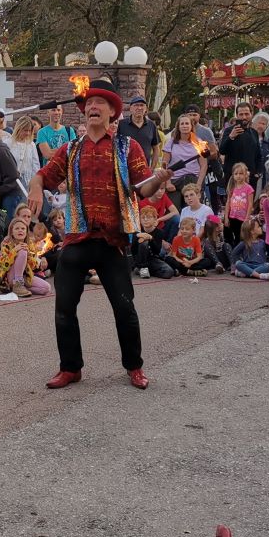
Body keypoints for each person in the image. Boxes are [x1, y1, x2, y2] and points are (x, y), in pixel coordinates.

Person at [26, 77, 171, 391]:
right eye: (89, 102)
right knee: (64, 307)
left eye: (99, 103)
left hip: (113, 242)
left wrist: (158, 180)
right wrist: (36, 188)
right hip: (77, 239)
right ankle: (70, 368)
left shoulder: (127, 146)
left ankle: (134, 367)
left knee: (124, 308)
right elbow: (42, 175)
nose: (92, 106)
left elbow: (143, 187)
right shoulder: (71, 148)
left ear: (111, 112)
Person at [0, 218, 49, 297]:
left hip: (25, 276)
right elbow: (3, 264)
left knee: (46, 288)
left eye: (23, 228)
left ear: (26, 231)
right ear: (12, 232)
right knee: (22, 251)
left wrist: (29, 254)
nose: (20, 230)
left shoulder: (29, 243)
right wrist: (14, 251)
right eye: (17, 228)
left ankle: (18, 287)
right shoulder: (6, 243)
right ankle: (17, 285)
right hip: (9, 277)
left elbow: (35, 266)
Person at [219, 103, 262, 187]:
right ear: (237, 116)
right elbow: (222, 150)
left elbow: (258, 155)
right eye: (241, 114)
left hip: (250, 178)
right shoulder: (229, 131)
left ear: (251, 114)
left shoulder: (254, 132)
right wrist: (231, 137)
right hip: (233, 177)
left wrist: (258, 173)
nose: (244, 117)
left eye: (246, 114)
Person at [118, 97, 161, 161]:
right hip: (125, 168)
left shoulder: (151, 125)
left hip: (145, 168)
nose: (139, 108)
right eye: (136, 105)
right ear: (130, 108)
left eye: (142, 105)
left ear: (146, 109)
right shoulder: (121, 124)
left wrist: (151, 169)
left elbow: (156, 149)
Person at [7, 116, 43, 192]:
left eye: (29, 131)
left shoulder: (31, 145)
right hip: (11, 184)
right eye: (25, 130)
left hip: (27, 184)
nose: (28, 133)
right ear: (19, 129)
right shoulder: (8, 143)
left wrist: (35, 184)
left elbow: (35, 166)